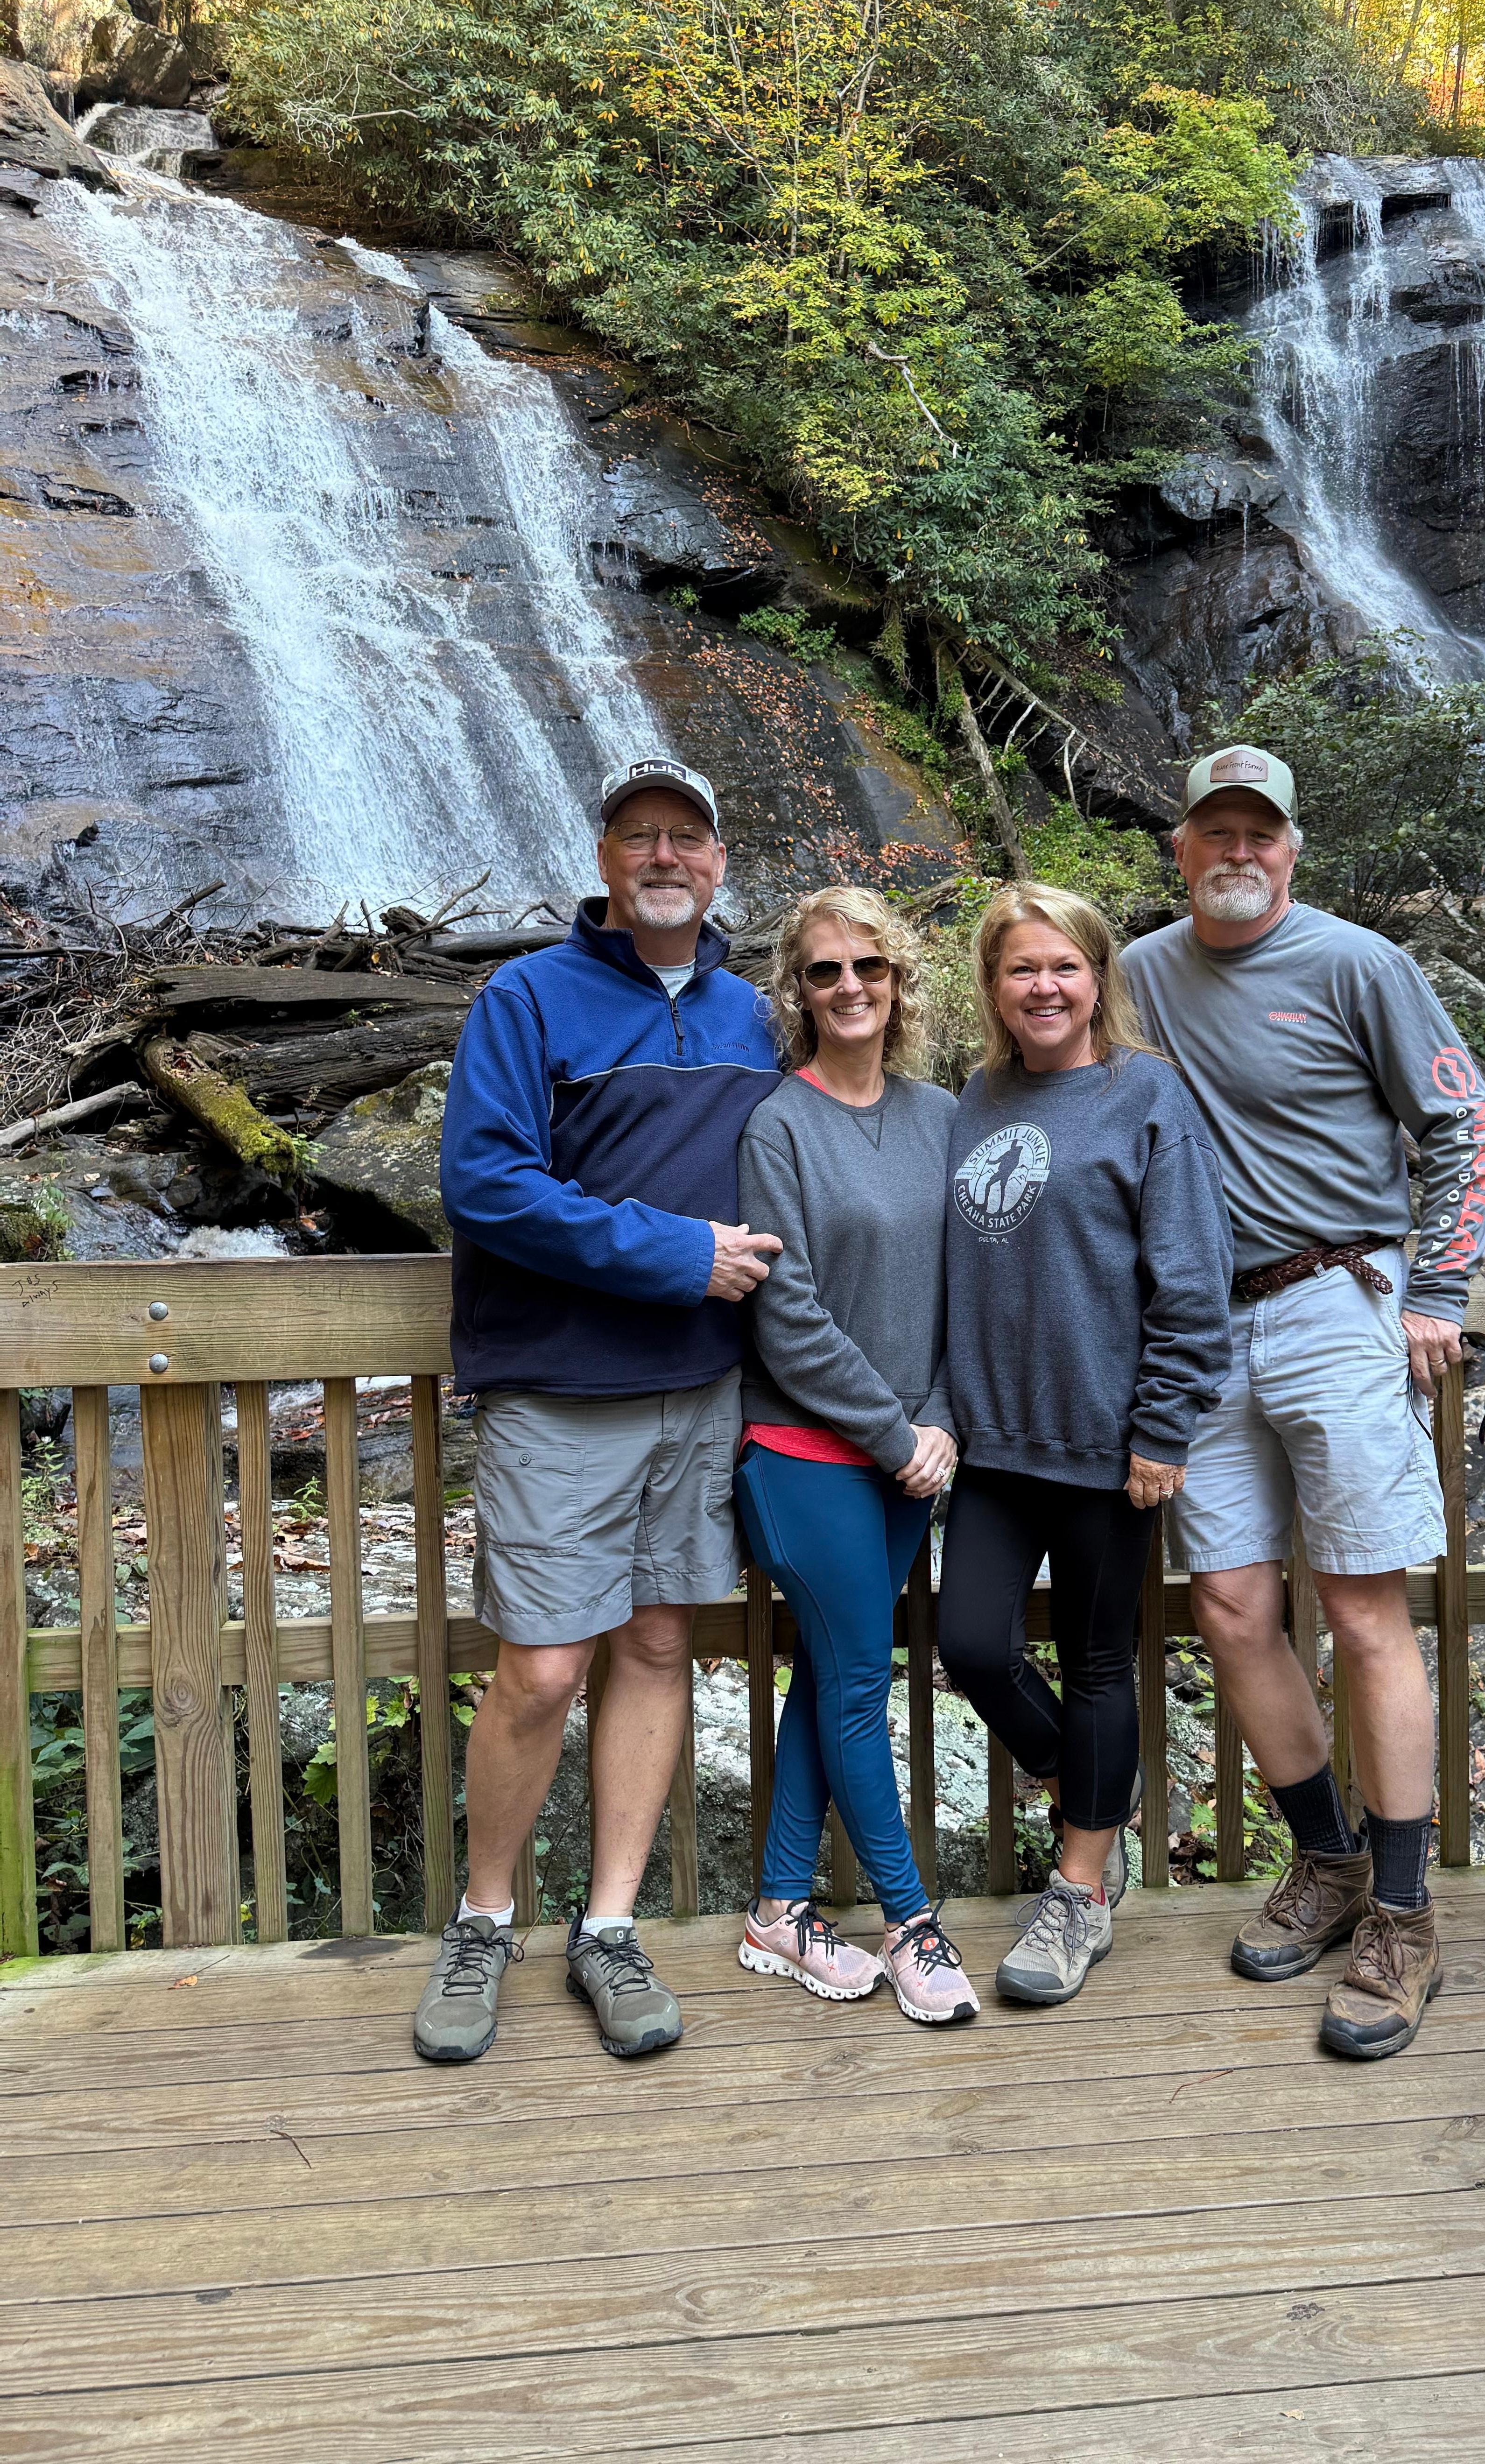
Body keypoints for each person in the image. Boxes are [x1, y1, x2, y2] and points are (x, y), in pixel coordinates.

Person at [1123, 743, 1485, 2061]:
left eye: (1258, 833)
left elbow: (1466, 1125)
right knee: (1232, 1605)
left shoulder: (1358, 966)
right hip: (1196, 1328)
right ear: (1178, 848)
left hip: (1336, 1302)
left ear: (1290, 849)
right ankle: (1328, 1860)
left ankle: (1405, 1918)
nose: (1235, 850)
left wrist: (1438, 1290)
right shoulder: (1135, 977)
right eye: (1212, 831)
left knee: (1359, 1607)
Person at [413, 756, 783, 2065]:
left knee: (662, 1647)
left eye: (688, 835)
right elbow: (486, 1185)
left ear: (719, 861)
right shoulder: (528, 997)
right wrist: (678, 1254)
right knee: (541, 1668)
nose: (665, 855)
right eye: (640, 837)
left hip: (701, 1384)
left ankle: (610, 1927)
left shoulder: (753, 1016)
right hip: (562, 1384)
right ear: (606, 860)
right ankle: (483, 1921)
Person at [936, 881, 1233, 2008]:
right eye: (1022, 969)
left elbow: (1193, 1276)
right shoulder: (974, 1097)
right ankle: (1090, 1783)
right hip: (996, 1444)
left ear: (1098, 975)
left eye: (1064, 966)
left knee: (1104, 1663)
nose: (1044, 987)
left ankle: (1079, 1895)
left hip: (1113, 1448)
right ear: (993, 987)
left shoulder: (1145, 1092)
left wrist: (1165, 1424)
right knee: (971, 1643)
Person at [733, 886, 979, 2025]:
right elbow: (788, 1319)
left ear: (899, 984)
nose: (849, 988)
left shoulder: (942, 1115)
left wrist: (934, 1425)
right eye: (825, 971)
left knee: (828, 1675)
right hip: (804, 1452)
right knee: (854, 1687)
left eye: (868, 968)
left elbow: (955, 1289)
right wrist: (896, 1438)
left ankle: (780, 1912)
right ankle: (912, 1922)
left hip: (908, 1453)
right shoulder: (778, 1124)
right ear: (798, 991)